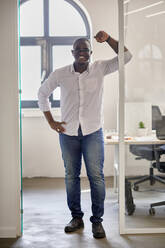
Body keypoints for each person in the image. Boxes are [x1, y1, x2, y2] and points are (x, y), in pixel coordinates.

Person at [38, 30, 132, 239]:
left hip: (92, 132)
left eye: (86, 49)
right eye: (78, 49)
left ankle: (97, 222)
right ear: (72, 52)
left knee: (96, 177)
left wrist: (108, 39)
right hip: (68, 133)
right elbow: (42, 93)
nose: (82, 52)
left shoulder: (100, 68)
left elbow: (126, 56)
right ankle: (76, 218)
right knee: (72, 177)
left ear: (91, 52)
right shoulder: (60, 73)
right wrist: (51, 121)